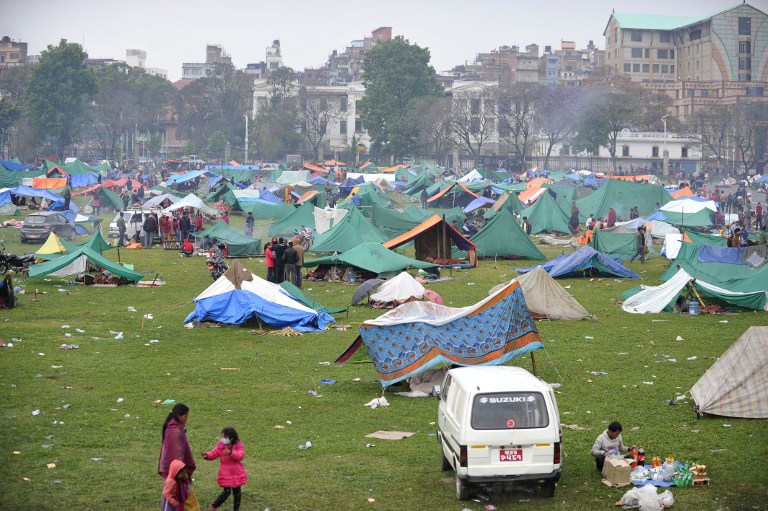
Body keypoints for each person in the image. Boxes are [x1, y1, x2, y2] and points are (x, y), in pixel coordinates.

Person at [201, 427, 248, 511]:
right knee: (226, 492)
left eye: (224, 437)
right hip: (226, 473)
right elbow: (214, 452)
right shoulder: (221, 445)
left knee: (237, 492)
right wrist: (207, 455)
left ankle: (236, 509)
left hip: (236, 472)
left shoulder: (238, 445)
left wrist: (231, 453)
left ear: (231, 437)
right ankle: (214, 506)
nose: (222, 439)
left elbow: (240, 456)